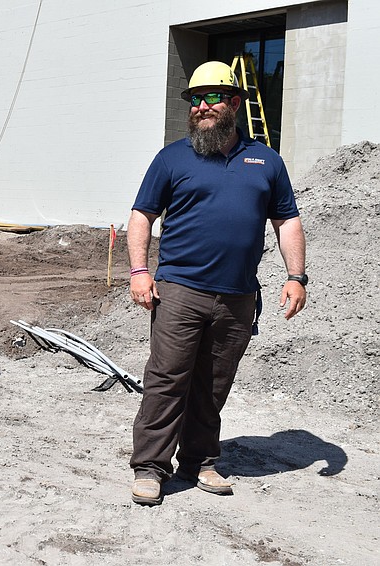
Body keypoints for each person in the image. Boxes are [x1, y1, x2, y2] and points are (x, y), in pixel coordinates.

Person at [126, 61, 308, 505]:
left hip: (239, 296)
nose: (202, 107)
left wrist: (296, 276)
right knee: (167, 379)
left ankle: (199, 462)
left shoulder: (266, 160)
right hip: (180, 290)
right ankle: (150, 467)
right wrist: (139, 271)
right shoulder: (171, 158)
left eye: (212, 97)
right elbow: (141, 215)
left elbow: (286, 220)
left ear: (235, 103)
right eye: (195, 99)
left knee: (213, 383)